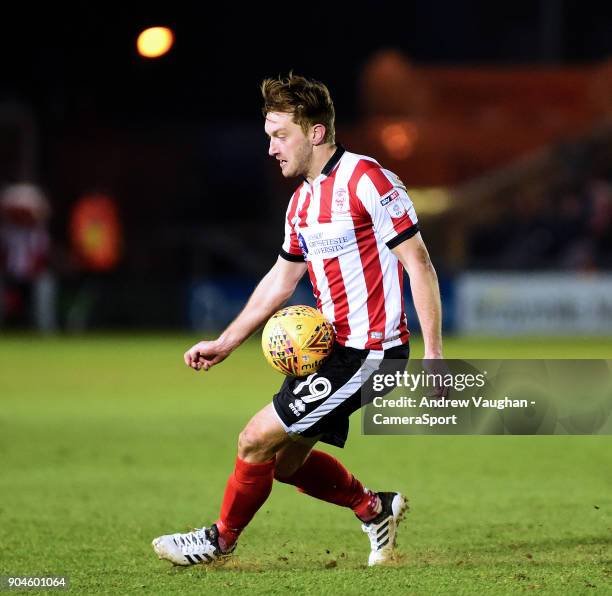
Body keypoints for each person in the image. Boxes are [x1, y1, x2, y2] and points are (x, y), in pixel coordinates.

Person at [152, 74, 444, 567]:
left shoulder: (367, 180)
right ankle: (376, 509)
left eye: (279, 134)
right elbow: (281, 279)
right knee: (287, 463)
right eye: (268, 135)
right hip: (331, 352)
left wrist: (436, 356)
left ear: (314, 133)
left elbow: (419, 262)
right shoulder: (302, 203)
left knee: (255, 439)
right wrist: (227, 341)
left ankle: (220, 540)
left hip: (372, 351)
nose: (270, 148)